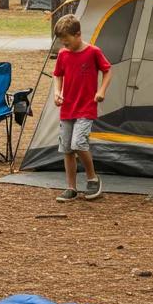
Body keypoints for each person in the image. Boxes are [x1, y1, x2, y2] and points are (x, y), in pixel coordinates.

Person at [52, 13, 112, 202]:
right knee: (67, 148)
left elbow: (107, 70)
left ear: (78, 34)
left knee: (78, 143)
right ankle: (71, 187)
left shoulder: (93, 52)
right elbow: (57, 74)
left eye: (67, 42)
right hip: (68, 107)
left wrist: (101, 90)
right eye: (62, 42)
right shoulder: (63, 54)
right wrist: (57, 92)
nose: (65, 46)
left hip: (86, 106)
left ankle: (92, 178)